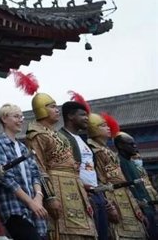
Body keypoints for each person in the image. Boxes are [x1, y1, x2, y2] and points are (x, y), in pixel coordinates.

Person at [25, 92, 97, 239]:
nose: (57, 110)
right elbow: (38, 167)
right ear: (41, 109)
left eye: (56, 107)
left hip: (75, 186)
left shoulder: (60, 136)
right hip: (57, 187)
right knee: (63, 231)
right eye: (52, 107)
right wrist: (50, 197)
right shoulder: (36, 134)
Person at [0, 103, 47, 240]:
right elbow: (5, 178)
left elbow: (35, 173)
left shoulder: (23, 148)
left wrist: (38, 196)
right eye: (16, 116)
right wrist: (30, 202)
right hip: (14, 208)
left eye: (21, 116)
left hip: (34, 205)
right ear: (4, 119)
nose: (21, 120)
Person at [87, 113, 146, 239]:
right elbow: (99, 180)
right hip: (111, 197)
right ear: (94, 128)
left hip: (124, 196)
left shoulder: (109, 151)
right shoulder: (93, 150)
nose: (108, 128)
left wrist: (135, 206)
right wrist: (109, 206)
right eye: (103, 126)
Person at [59, 99, 110, 239]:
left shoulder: (82, 141)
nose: (87, 118)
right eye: (82, 115)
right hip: (80, 194)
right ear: (70, 116)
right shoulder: (62, 138)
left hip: (96, 193)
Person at [115, 132, 158, 239]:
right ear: (120, 146)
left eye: (135, 143)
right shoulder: (119, 162)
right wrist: (139, 208)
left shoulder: (132, 163)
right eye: (130, 144)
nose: (135, 146)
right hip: (139, 210)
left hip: (148, 208)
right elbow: (129, 188)